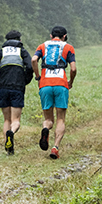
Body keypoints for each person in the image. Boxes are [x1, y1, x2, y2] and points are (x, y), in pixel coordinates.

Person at [31, 26, 77, 159]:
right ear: (65, 36)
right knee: (61, 118)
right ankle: (55, 147)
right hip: (61, 84)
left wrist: (38, 76)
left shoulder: (42, 46)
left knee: (48, 119)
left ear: (51, 36)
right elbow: (73, 69)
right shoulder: (68, 47)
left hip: (45, 84)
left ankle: (45, 129)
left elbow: (34, 60)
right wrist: (71, 81)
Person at [0, 30, 33, 155]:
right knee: (15, 120)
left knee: (7, 120)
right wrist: (25, 80)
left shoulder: (1, 52)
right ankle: (11, 133)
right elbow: (30, 66)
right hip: (17, 87)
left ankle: (8, 147)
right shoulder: (22, 51)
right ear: (19, 40)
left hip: (3, 87)